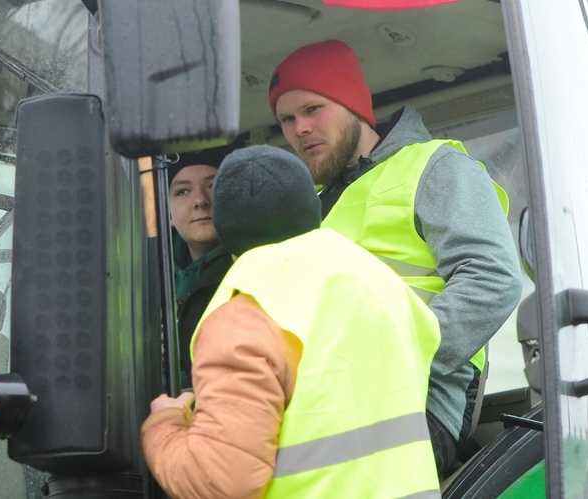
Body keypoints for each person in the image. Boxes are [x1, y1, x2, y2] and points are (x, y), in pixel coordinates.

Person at [269, 39, 523, 477]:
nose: (300, 128)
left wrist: (392, 355)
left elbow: (493, 278)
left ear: (353, 105)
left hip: (411, 404)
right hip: (320, 403)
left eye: (313, 109)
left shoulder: (434, 167)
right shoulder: (305, 208)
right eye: (287, 119)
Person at [142, 145, 442, 498]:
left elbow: (220, 482)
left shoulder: (245, 316)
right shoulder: (384, 285)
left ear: (226, 229)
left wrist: (164, 425)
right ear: (312, 206)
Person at [168, 138, 245, 389]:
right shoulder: (143, 277)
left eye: (213, 186)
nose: (200, 200)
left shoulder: (254, 271)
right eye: (182, 191)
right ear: (166, 212)